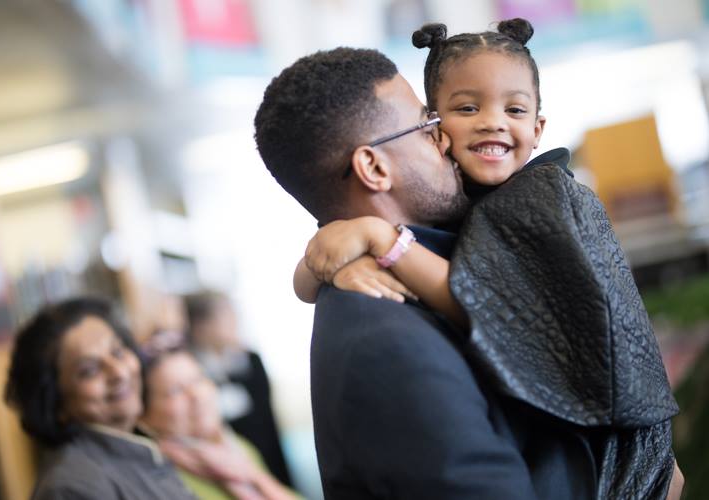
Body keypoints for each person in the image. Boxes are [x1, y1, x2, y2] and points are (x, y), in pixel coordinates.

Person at [293, 20, 682, 499]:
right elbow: (317, 266)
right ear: (435, 128)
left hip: (627, 452)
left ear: (538, 128)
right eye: (467, 107)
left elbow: (500, 312)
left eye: (515, 109)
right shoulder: (459, 202)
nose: (493, 121)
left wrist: (384, 240)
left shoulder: (544, 197)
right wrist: (322, 260)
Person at [255, 43, 601, 498]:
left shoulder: (469, 235)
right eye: (426, 125)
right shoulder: (382, 340)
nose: (446, 139)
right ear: (374, 167)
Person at [4, 297, 195, 500]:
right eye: (89, 371)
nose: (119, 372)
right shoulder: (71, 489)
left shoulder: (142, 446)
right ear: (54, 402)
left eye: (118, 352)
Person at [139, 336, 300, 500]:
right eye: (175, 391)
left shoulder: (237, 447)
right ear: (144, 417)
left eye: (198, 379)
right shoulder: (161, 479)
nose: (196, 395)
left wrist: (256, 476)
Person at [184, 291, 293, 488]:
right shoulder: (193, 372)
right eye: (224, 315)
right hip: (227, 463)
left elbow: (266, 418)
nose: (234, 321)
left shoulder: (251, 360)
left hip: (268, 453)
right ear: (200, 326)